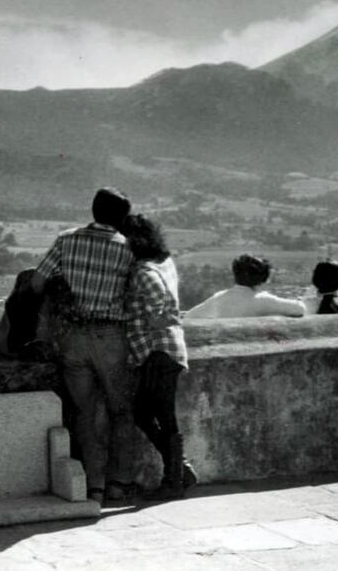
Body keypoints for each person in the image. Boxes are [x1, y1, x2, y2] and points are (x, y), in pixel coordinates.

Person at [30, 187, 138, 504]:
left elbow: (36, 282)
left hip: (73, 338)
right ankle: (121, 482)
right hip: (111, 338)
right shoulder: (127, 249)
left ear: (93, 210)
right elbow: (135, 296)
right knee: (120, 411)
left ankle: (94, 486)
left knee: (84, 413)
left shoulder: (66, 240)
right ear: (122, 217)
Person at [120, 214, 197, 500]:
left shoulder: (143, 270)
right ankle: (179, 472)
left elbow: (159, 298)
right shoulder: (164, 263)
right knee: (157, 413)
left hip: (157, 349)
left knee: (153, 413)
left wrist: (156, 316)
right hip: (169, 349)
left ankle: (176, 478)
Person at [184, 254, 305, 319]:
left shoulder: (219, 298)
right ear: (263, 279)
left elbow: (190, 316)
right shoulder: (263, 300)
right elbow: (300, 309)